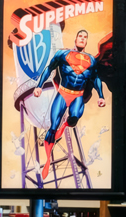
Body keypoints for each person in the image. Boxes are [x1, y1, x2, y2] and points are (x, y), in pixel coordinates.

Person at [39, 28, 106, 181]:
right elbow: (49, 69)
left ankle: (65, 126)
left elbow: (95, 79)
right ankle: (47, 161)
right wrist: (39, 86)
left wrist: (101, 96)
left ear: (86, 41)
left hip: (78, 96)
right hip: (63, 93)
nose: (82, 39)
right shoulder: (62, 54)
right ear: (75, 40)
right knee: (53, 126)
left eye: (85, 37)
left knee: (74, 118)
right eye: (80, 36)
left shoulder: (91, 60)